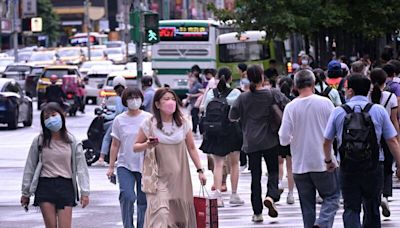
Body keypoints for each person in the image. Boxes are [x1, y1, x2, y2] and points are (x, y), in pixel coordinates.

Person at [323, 74, 400, 228]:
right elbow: (392, 140)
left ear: (350, 90)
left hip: (347, 166)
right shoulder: (378, 111)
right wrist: (399, 163)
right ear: (368, 91)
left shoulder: (339, 111)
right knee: (372, 207)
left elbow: (327, 140)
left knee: (351, 208)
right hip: (373, 165)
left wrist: (329, 161)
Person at [134, 88, 206, 227]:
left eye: (173, 99)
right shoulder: (149, 123)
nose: (171, 102)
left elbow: (191, 148)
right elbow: (135, 146)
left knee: (179, 219)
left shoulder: (183, 123)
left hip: (180, 178)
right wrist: (147, 145)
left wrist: (200, 171)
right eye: (166, 99)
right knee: (161, 214)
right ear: (157, 104)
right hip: (157, 177)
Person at [279, 70, 340, 228]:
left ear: (295, 86)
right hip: (324, 162)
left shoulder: (290, 108)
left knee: (307, 207)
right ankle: (323, 222)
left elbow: (284, 139)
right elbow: (336, 130)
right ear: (313, 84)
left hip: (300, 165)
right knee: (332, 196)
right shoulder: (325, 103)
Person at [229, 65, 289, 222]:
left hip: (251, 142)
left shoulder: (242, 97)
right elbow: (288, 105)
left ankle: (257, 213)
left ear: (248, 78)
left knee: (255, 178)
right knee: (273, 171)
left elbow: (232, 116)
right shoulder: (272, 93)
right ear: (262, 77)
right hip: (270, 139)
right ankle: (271, 195)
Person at [21, 102, 90, 228]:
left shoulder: (72, 142)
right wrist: (25, 193)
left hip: (65, 186)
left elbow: (81, 168)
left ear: (62, 116)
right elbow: (30, 166)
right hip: (45, 186)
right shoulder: (39, 141)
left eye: (53, 115)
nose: (51, 120)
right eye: (47, 117)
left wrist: (85, 192)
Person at [106, 88, 151, 228]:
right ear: (125, 100)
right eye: (131, 98)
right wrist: (111, 166)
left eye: (137, 97)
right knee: (128, 196)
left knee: (143, 201)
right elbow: (115, 144)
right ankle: (128, 225)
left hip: (145, 165)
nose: (134, 100)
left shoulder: (148, 118)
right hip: (125, 165)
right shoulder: (119, 120)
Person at [200, 67, 244, 207]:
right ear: (230, 78)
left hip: (215, 132)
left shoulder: (211, 94)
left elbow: (203, 109)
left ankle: (218, 196)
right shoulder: (236, 93)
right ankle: (234, 195)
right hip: (232, 130)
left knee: (218, 164)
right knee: (234, 163)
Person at [369, 68, 400, 218]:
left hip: (370, 137)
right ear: (385, 80)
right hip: (387, 136)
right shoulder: (391, 97)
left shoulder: (367, 96)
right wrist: (397, 138)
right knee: (388, 167)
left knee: (373, 167)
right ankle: (385, 196)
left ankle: (376, 195)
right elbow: (394, 120)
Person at [93, 76, 128, 166]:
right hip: (127, 121)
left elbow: (118, 113)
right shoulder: (127, 95)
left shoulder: (118, 98)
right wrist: (109, 108)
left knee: (107, 138)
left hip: (119, 122)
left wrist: (105, 116)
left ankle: (101, 158)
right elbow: (121, 109)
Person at [276, 76, 296, 205]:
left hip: (277, 135)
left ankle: (278, 183)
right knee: (290, 166)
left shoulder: (276, 101)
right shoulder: (294, 101)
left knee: (279, 163)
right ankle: (291, 194)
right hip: (291, 136)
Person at [187, 69, 203, 134]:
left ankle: (197, 130)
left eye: (192, 77)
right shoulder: (193, 84)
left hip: (196, 103)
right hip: (192, 103)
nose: (191, 79)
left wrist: (192, 95)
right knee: (193, 116)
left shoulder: (198, 85)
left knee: (196, 117)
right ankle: (195, 130)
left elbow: (202, 93)